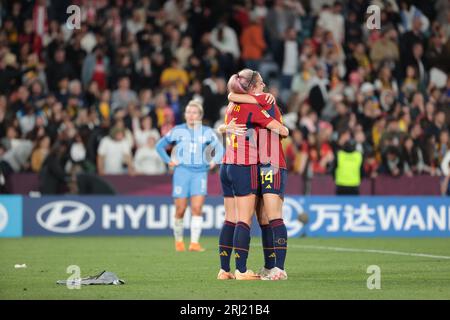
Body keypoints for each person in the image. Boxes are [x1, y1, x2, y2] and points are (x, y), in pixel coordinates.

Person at [216, 69, 289, 280]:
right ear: (252, 87)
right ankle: (244, 270)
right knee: (252, 219)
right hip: (250, 164)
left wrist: (223, 127)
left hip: (250, 163)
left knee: (261, 217)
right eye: (261, 83)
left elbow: (231, 95)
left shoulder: (233, 103)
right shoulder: (258, 104)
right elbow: (283, 130)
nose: (265, 87)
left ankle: (231, 269)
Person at [156, 100, 223, 252]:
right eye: (188, 112)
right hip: (182, 172)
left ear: (200, 115)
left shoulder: (207, 131)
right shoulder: (178, 130)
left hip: (199, 173)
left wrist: (214, 161)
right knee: (180, 209)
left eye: (194, 112)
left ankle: (194, 243)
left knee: (197, 208)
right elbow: (159, 146)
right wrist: (169, 161)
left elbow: (220, 149)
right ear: (185, 114)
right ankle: (179, 242)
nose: (191, 115)